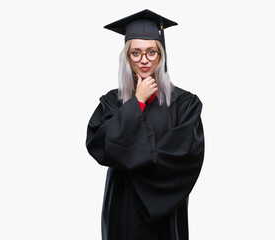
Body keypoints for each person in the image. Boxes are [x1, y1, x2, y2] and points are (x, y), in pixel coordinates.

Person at [85, 9, 205, 240]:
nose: (144, 60)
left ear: (161, 55)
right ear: (126, 57)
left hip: (166, 210)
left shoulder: (184, 103)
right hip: (123, 204)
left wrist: (129, 162)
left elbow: (186, 156)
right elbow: (101, 145)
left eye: (151, 52)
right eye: (136, 53)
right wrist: (137, 101)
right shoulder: (114, 102)